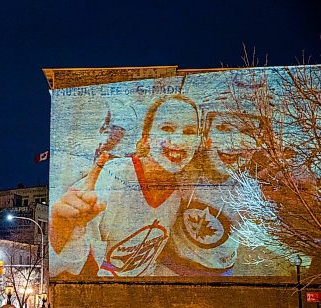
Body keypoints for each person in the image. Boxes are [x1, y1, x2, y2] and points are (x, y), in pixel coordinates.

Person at [49, 94, 201, 277]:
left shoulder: (184, 190)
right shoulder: (112, 178)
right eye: (166, 128)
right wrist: (63, 229)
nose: (178, 140)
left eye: (190, 132)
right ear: (146, 139)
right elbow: (68, 264)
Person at [160, 110, 261, 275]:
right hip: (171, 264)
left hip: (218, 271)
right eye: (223, 128)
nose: (233, 141)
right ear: (206, 136)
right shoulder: (182, 169)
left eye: (247, 132)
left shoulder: (253, 188)